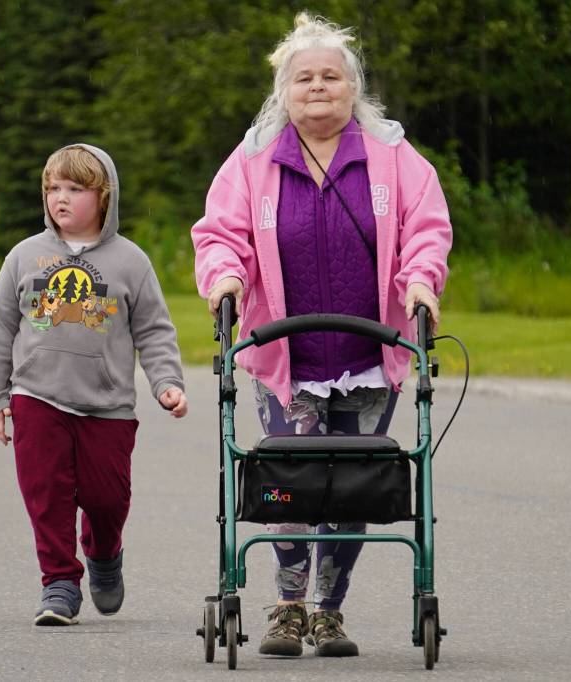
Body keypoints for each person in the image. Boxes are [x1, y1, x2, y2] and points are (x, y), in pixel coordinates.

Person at [191, 13, 452, 657]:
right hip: (287, 355)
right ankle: (286, 604)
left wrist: (421, 281)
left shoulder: (392, 155)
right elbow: (220, 234)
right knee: (291, 482)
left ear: (353, 87)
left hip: (369, 353)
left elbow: (427, 228)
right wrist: (224, 279)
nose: (317, 87)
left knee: (351, 485)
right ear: (283, 90)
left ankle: (329, 610)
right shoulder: (253, 160)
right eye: (303, 77)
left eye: (331, 76)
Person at [0, 143, 188, 626]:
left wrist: (166, 383)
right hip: (36, 397)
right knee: (46, 494)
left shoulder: (130, 261)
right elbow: (0, 330)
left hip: (107, 405)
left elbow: (154, 330)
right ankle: (59, 584)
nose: (61, 198)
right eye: (53, 188)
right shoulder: (23, 257)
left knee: (105, 500)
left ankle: (104, 553)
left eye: (75, 188)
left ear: (104, 196)